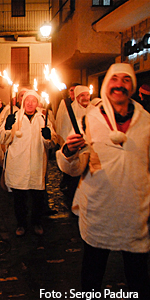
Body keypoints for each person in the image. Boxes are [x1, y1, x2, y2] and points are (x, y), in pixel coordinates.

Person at [56, 63, 150, 298]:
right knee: (92, 275)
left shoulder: (147, 122)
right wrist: (69, 151)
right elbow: (77, 168)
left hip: (136, 210)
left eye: (126, 80)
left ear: (132, 85)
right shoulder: (90, 121)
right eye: (114, 80)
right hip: (99, 209)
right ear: (107, 85)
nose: (120, 84)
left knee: (139, 276)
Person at [0, 90, 57, 236]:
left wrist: (48, 137)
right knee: (19, 199)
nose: (30, 103)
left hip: (36, 163)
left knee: (37, 198)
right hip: (18, 163)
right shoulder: (14, 117)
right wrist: (7, 128)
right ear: (23, 102)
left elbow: (51, 143)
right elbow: (2, 139)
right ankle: (21, 224)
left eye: (34, 100)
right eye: (27, 100)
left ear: (38, 103)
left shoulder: (43, 118)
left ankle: (36, 222)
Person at [56, 85, 95, 208]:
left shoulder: (95, 110)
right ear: (77, 97)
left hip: (91, 152)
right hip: (74, 150)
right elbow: (63, 126)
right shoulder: (69, 109)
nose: (85, 98)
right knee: (73, 178)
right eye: (82, 95)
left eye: (87, 95)